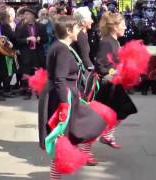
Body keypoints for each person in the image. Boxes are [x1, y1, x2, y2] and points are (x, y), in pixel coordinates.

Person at [38, 15, 107, 180]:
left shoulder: (60, 46)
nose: (79, 30)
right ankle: (55, 177)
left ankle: (59, 173)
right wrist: (63, 105)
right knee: (61, 139)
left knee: (72, 134)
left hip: (65, 95)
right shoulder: (61, 49)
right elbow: (59, 79)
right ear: (69, 31)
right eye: (76, 28)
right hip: (62, 97)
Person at [94, 11, 137, 148]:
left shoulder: (114, 41)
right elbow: (100, 64)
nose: (125, 27)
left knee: (121, 111)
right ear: (114, 26)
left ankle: (106, 135)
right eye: (123, 25)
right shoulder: (107, 42)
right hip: (109, 85)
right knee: (101, 118)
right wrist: (113, 72)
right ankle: (89, 145)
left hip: (114, 84)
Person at [16, 6, 48, 100]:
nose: (25, 16)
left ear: (33, 16)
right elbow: (17, 40)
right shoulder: (20, 26)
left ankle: (38, 91)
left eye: (27, 14)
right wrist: (27, 39)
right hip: (26, 53)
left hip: (37, 53)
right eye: (25, 14)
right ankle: (27, 91)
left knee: (37, 72)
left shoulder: (41, 26)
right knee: (26, 72)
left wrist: (40, 39)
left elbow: (46, 39)